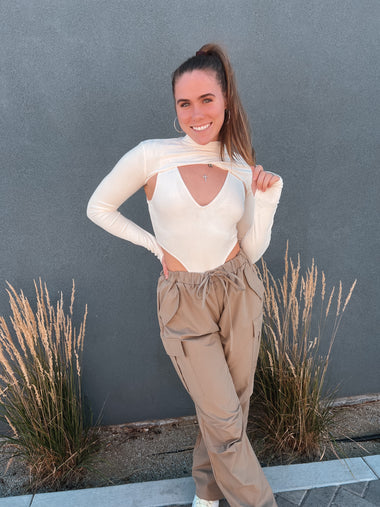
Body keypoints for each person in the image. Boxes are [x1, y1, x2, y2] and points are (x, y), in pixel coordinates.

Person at [87, 43, 282, 507]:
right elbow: (99, 207)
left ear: (225, 101)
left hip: (239, 287)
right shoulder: (152, 155)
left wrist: (269, 199)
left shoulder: (238, 162)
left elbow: (251, 248)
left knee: (230, 408)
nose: (196, 113)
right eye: (184, 103)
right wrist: (158, 247)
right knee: (225, 418)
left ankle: (207, 493)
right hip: (184, 298)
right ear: (176, 108)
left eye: (206, 99)